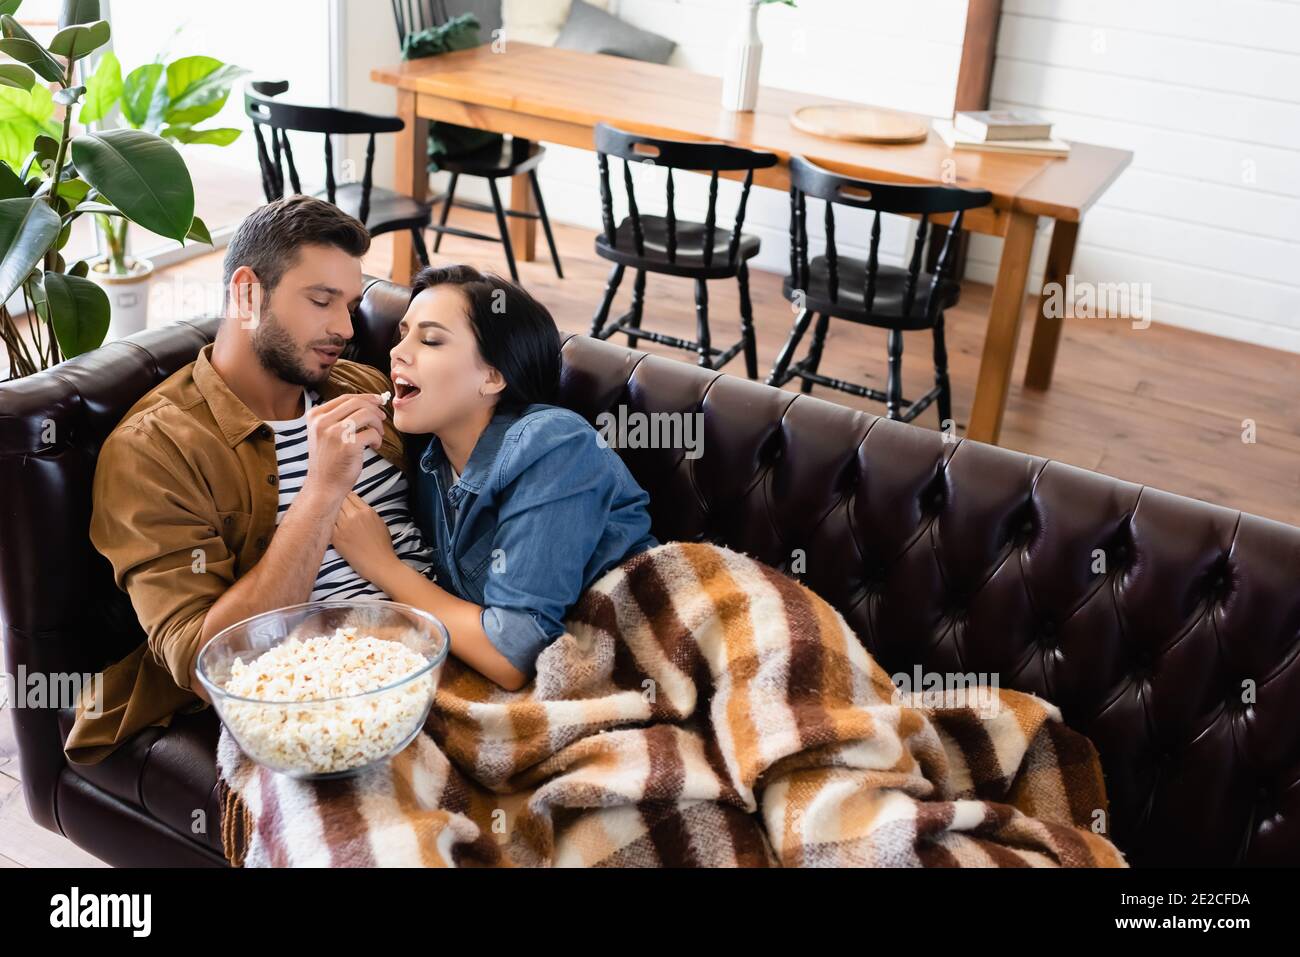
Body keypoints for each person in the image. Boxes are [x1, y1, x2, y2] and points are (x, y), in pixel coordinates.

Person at [65, 195, 431, 763]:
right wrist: (323, 490)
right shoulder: (156, 450)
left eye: (350, 304)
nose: (343, 327)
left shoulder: (357, 385)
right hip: (325, 704)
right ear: (247, 292)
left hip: (449, 653)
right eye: (320, 301)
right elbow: (206, 659)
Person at [330, 265, 659, 690]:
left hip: (638, 640)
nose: (398, 352)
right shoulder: (433, 462)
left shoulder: (554, 443)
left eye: (430, 340)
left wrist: (382, 566)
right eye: (402, 334)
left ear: (493, 377)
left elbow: (511, 655)